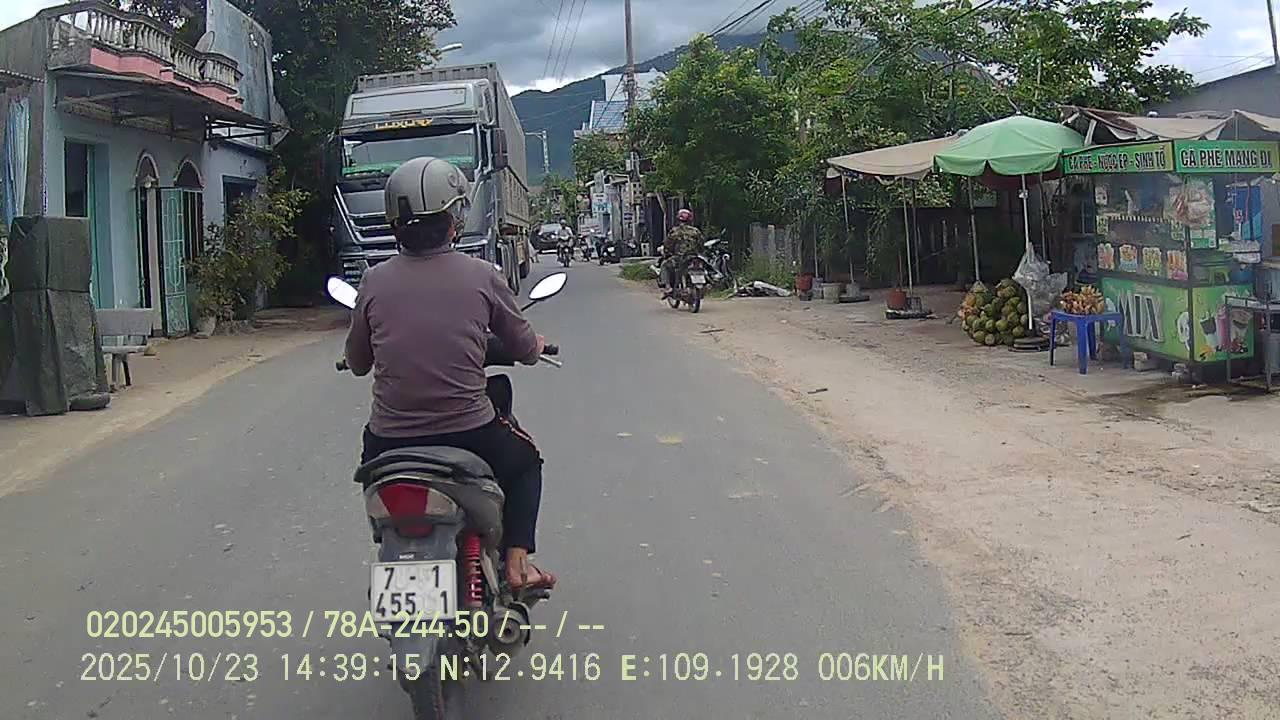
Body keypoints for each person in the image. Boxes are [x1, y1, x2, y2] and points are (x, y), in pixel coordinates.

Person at [345, 157, 556, 591]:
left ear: (393, 222)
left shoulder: (373, 281)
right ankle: (518, 564)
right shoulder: (482, 275)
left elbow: (359, 362)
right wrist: (535, 346)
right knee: (526, 463)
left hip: (388, 441)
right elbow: (523, 348)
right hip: (470, 432)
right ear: (454, 217)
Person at [661, 208, 704, 296]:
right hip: (694, 257)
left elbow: (668, 245)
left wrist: (666, 252)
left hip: (680, 258)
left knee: (664, 265)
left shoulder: (675, 231)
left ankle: (668, 287)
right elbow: (701, 244)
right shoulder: (695, 231)